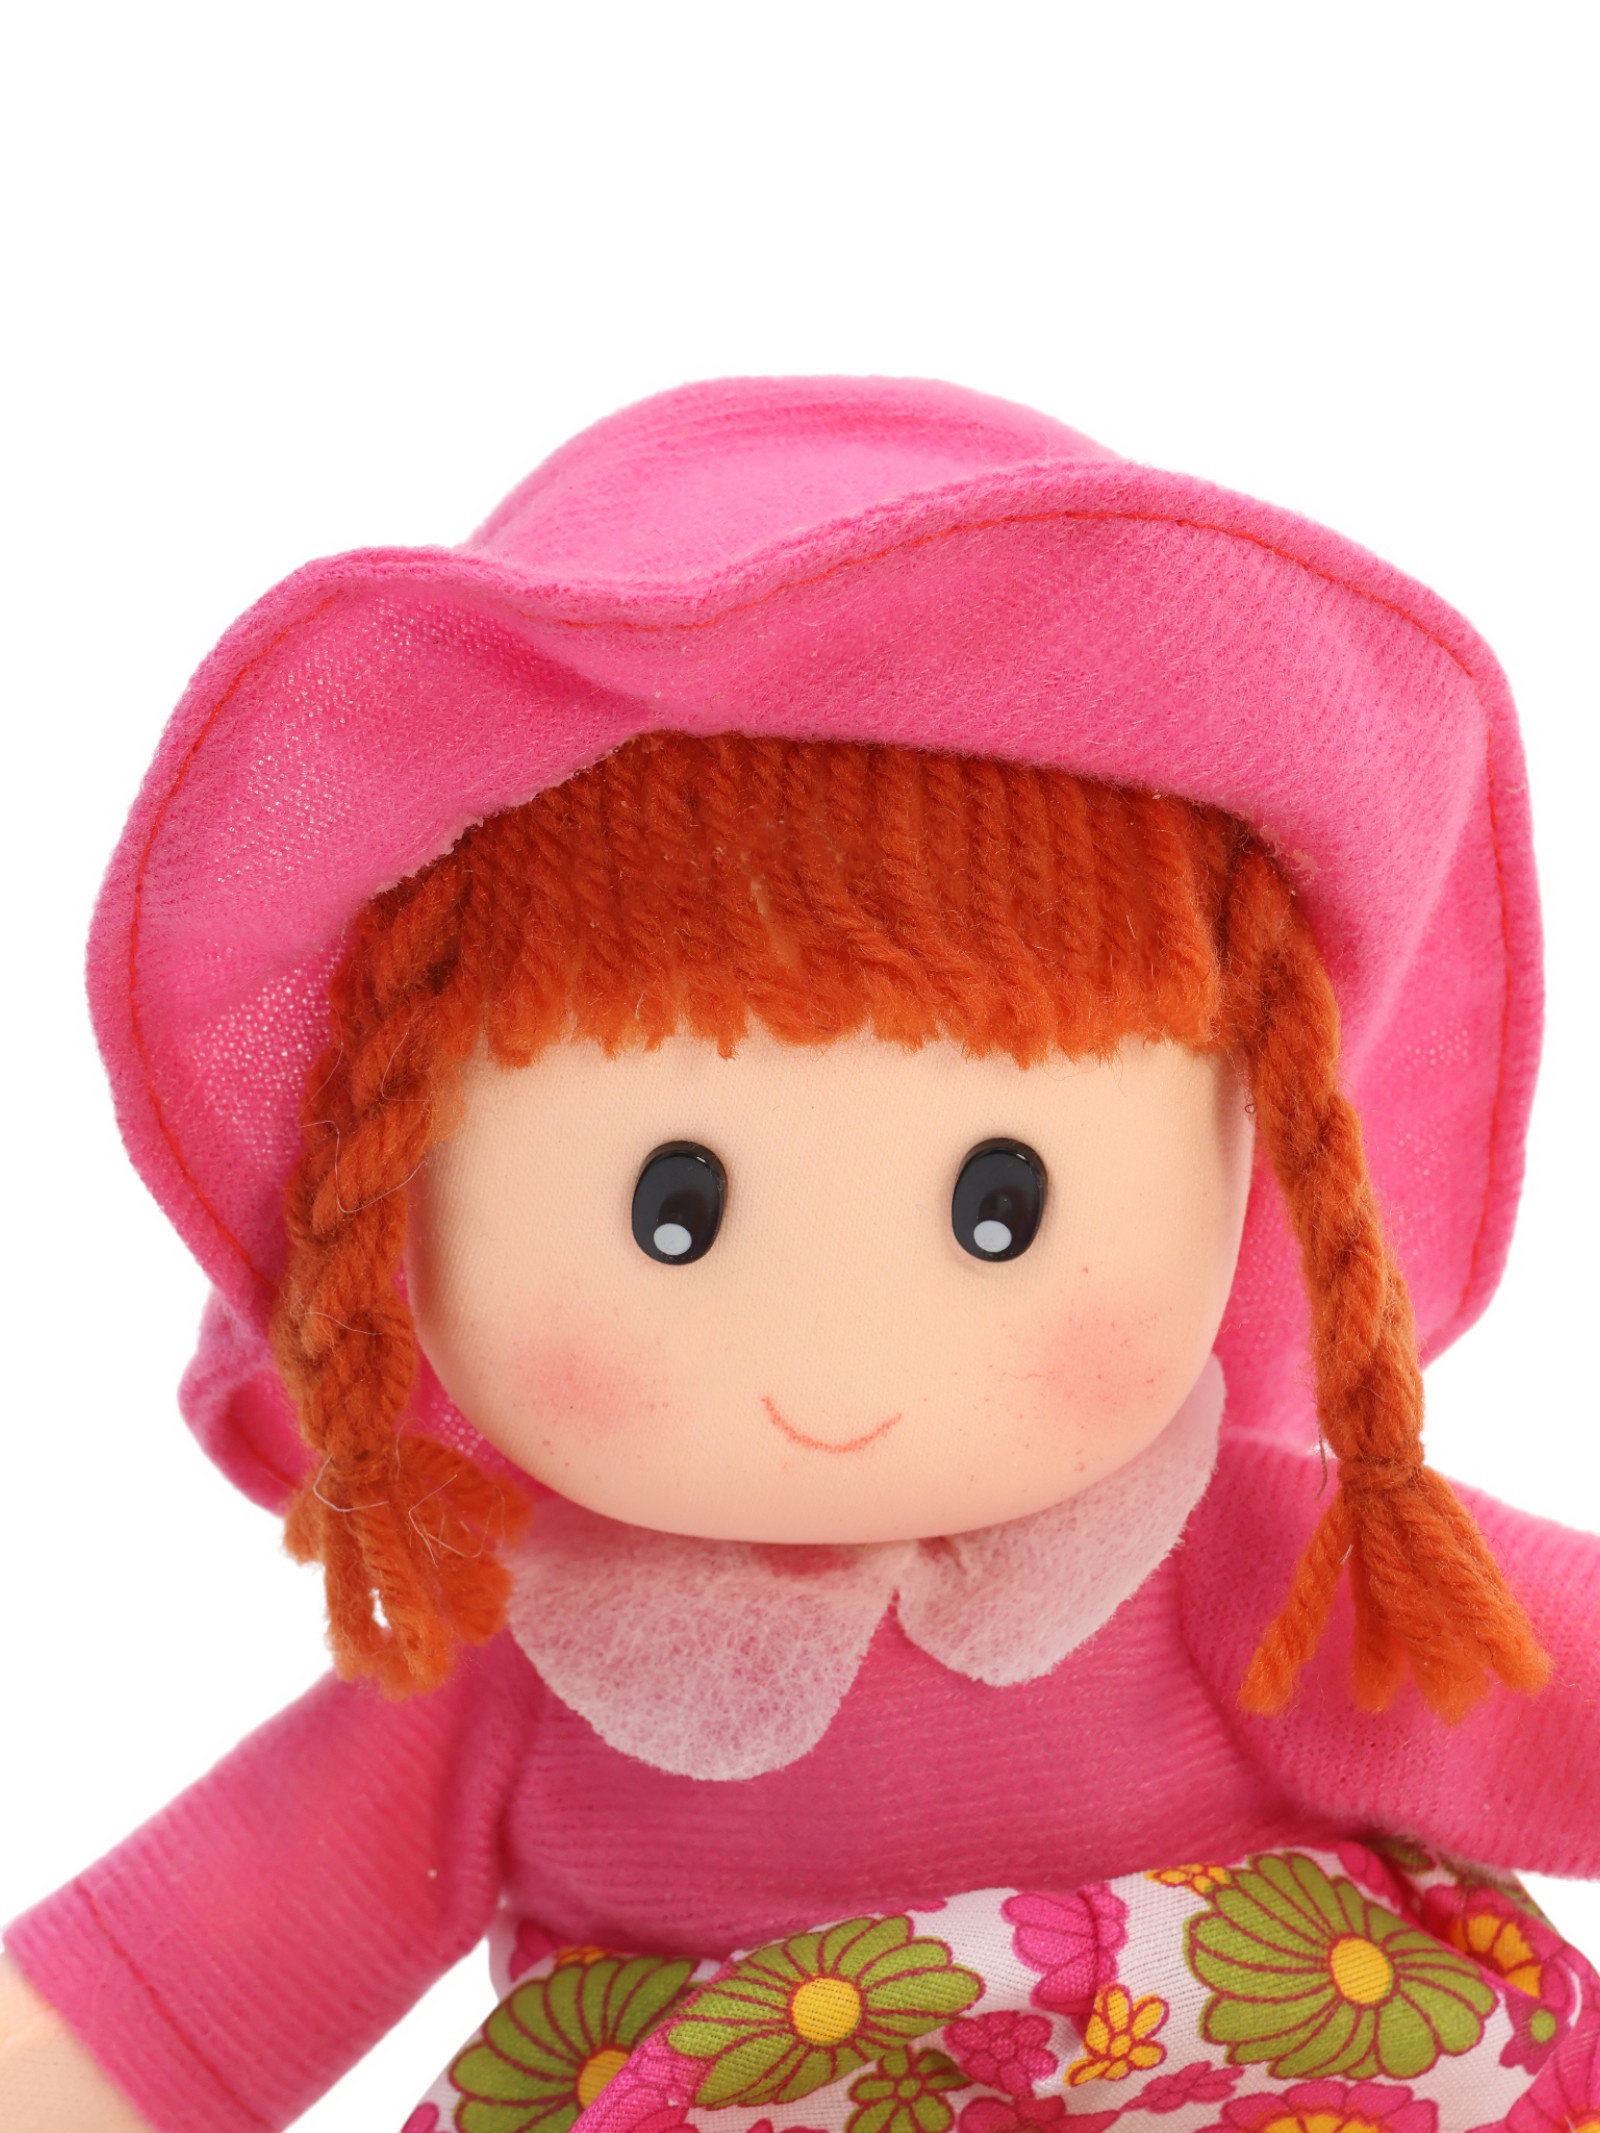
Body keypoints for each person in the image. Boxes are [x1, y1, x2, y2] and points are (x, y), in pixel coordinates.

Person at [3, 378, 1594, 2133]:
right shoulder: (536, 1673)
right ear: (401, 1194)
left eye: (1001, 1209)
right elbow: (207, 1957)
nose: (839, 1353)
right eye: (673, 1215)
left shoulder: (1228, 1567)